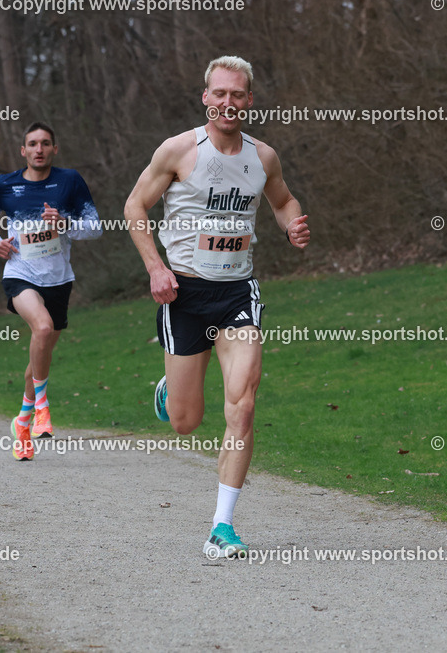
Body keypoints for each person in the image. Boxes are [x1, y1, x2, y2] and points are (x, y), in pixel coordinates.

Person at [124, 55, 310, 557]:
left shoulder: (262, 157)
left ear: (249, 100)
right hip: (182, 294)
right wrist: (155, 268)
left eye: (238, 94)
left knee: (243, 403)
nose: (229, 103)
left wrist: (291, 222)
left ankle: (221, 526)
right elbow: (134, 207)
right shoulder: (179, 151)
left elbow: (283, 200)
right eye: (220, 94)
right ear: (206, 97)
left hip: (235, 294)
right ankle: (172, 389)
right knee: (186, 421)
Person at [0, 122, 102, 461]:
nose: (39, 149)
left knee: (41, 351)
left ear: (54, 149)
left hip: (59, 280)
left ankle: (22, 420)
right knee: (43, 328)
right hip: (20, 273)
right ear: (23, 150)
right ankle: (43, 405)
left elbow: (95, 227)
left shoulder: (70, 181)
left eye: (45, 143)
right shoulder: (6, 184)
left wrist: (65, 224)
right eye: (32, 144)